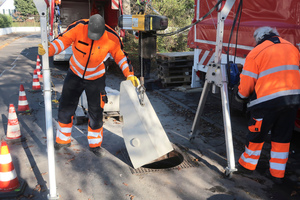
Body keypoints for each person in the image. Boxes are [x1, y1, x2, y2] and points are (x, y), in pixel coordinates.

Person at [38, 14, 139, 157]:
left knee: (96, 111)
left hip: (96, 77)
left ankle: (95, 144)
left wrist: (129, 74)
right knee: (66, 107)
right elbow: (62, 41)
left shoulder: (111, 37)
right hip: (74, 74)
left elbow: (121, 56)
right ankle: (63, 139)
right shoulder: (78, 27)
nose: (93, 38)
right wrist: (50, 49)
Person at [235, 26, 300, 183]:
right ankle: (277, 173)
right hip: (292, 101)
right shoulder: (292, 48)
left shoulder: (257, 52)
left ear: (258, 38)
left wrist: (240, 96)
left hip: (267, 103)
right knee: (282, 138)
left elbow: (247, 83)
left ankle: (247, 166)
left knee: (257, 134)